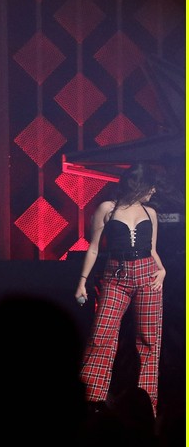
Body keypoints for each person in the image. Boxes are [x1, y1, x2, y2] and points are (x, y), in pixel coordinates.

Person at [73, 163, 165, 415]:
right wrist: (82, 280)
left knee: (149, 340)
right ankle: (93, 399)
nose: (154, 191)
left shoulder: (150, 212)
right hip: (116, 275)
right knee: (101, 335)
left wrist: (163, 270)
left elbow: (153, 250)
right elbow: (93, 247)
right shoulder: (108, 208)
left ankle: (147, 405)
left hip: (148, 275)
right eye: (151, 186)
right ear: (139, 185)